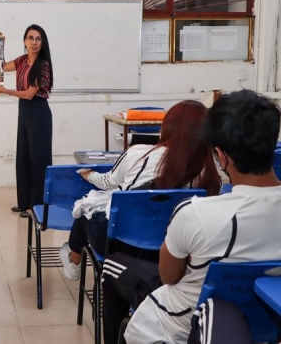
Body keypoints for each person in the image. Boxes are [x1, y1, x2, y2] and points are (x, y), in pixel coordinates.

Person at [118, 90, 281, 344]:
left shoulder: (196, 213)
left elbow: (168, 276)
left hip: (180, 327)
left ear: (222, 156)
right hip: (268, 327)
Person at [59, 100, 221, 288]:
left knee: (88, 207)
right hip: (174, 250)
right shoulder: (208, 171)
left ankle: (73, 260)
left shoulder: (138, 153)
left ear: (168, 126)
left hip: (120, 243)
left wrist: (89, 175)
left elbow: (108, 182)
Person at [0, 24, 54, 218]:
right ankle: (24, 202)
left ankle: (37, 206)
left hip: (38, 112)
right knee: (24, 158)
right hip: (25, 113)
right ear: (24, 42)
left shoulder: (43, 64)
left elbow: (29, 94)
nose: (34, 42)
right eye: (31, 38)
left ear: (42, 42)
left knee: (38, 159)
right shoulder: (21, 60)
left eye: (38, 39)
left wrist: (6, 91)